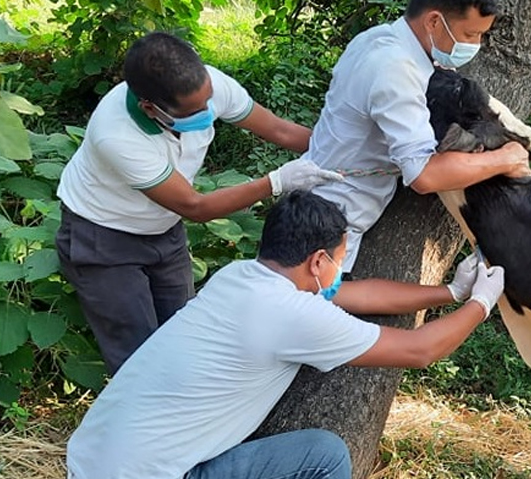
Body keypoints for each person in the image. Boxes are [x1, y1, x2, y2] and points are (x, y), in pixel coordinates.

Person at [64, 190, 505, 479]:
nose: (339, 272)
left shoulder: (239, 277)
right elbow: (419, 350)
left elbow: (361, 294)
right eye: (339, 259)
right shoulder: (295, 316)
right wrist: (484, 304)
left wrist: (452, 293)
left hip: (90, 466)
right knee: (325, 457)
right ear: (318, 261)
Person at [55, 32, 343, 375]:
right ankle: (147, 422)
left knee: (184, 331)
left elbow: (278, 130)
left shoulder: (206, 85)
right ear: (151, 107)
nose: (208, 111)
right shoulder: (116, 135)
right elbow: (195, 207)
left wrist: (338, 152)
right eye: (194, 110)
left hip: (163, 230)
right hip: (104, 238)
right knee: (137, 355)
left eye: (209, 101)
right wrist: (276, 182)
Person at [304, 0, 531, 274]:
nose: (476, 44)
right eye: (470, 35)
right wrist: (505, 159)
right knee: (311, 307)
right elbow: (423, 175)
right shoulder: (396, 69)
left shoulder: (375, 39)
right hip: (331, 223)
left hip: (318, 196)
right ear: (434, 22)